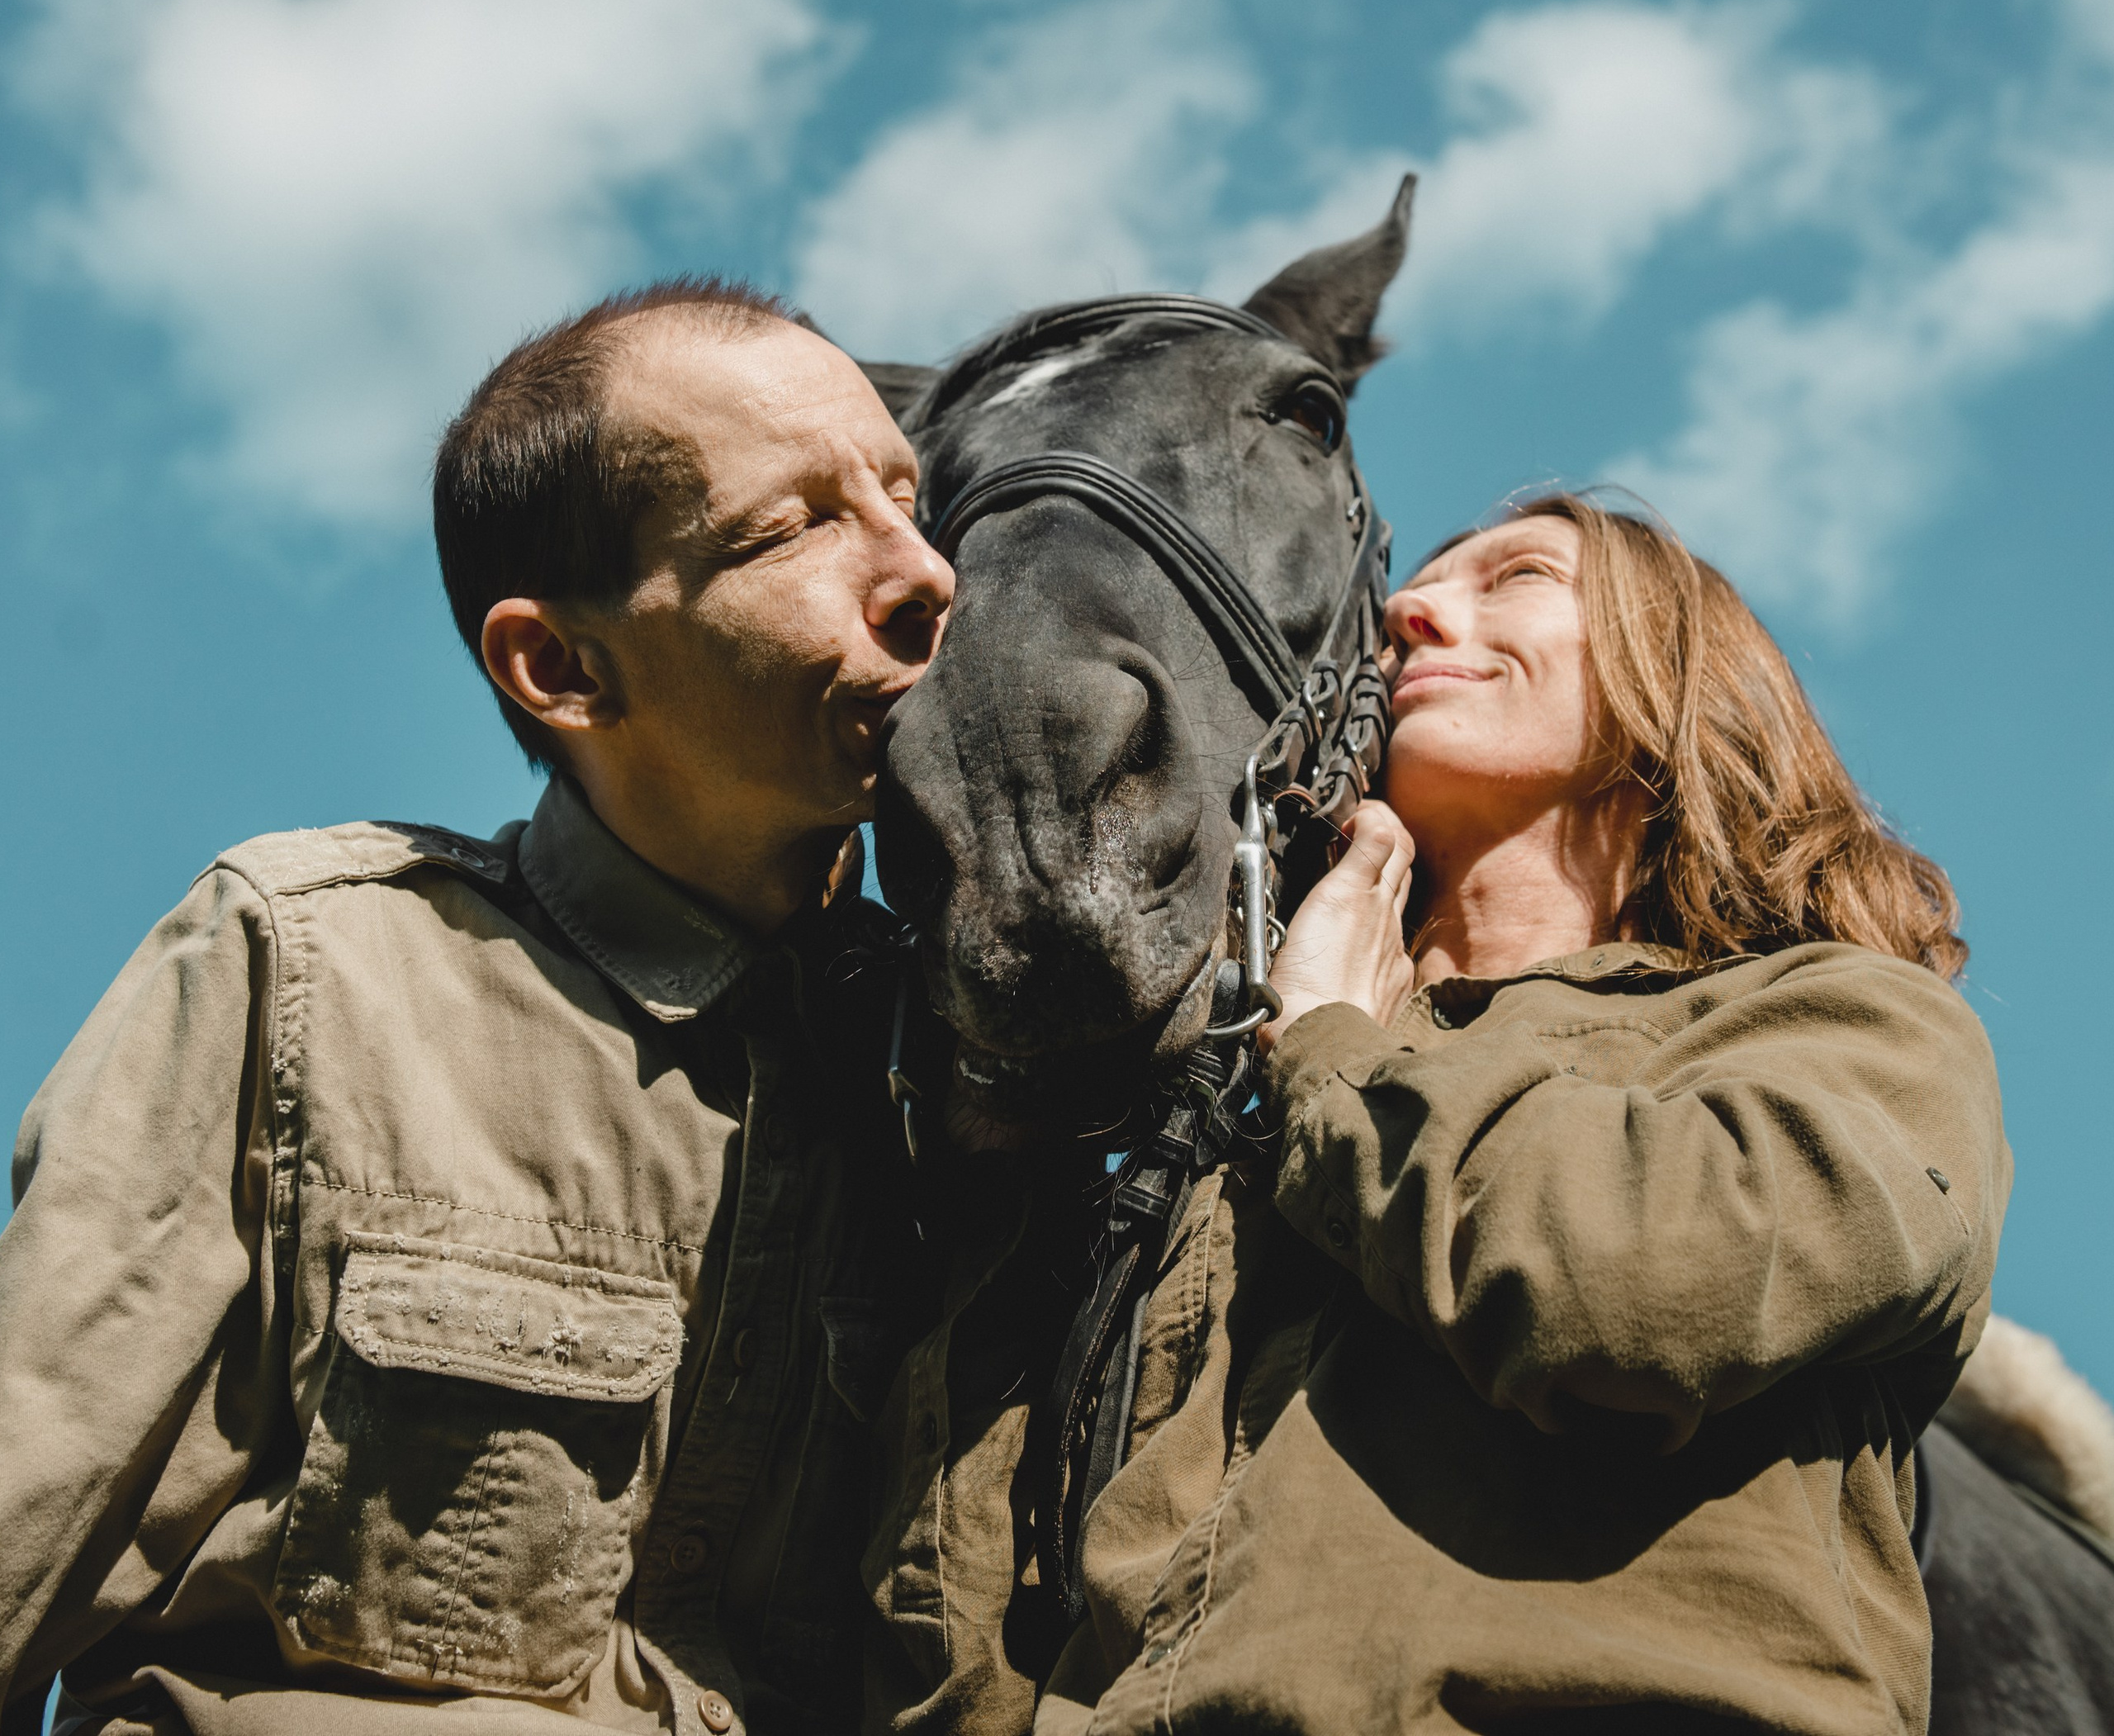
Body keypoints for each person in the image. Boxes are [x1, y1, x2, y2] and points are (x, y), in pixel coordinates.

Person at [0, 279, 956, 1736]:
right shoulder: (303, 964)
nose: (924, 573)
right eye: (792, 530)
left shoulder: (972, 1078)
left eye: (909, 499)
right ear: (560, 668)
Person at [927, 491, 2007, 1735]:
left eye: (1518, 577)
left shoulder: (1852, 1024)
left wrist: (1337, 1043)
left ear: (1678, 672)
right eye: (1414, 604)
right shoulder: (1227, 1144)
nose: (1411, 608)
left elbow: (1628, 1292)